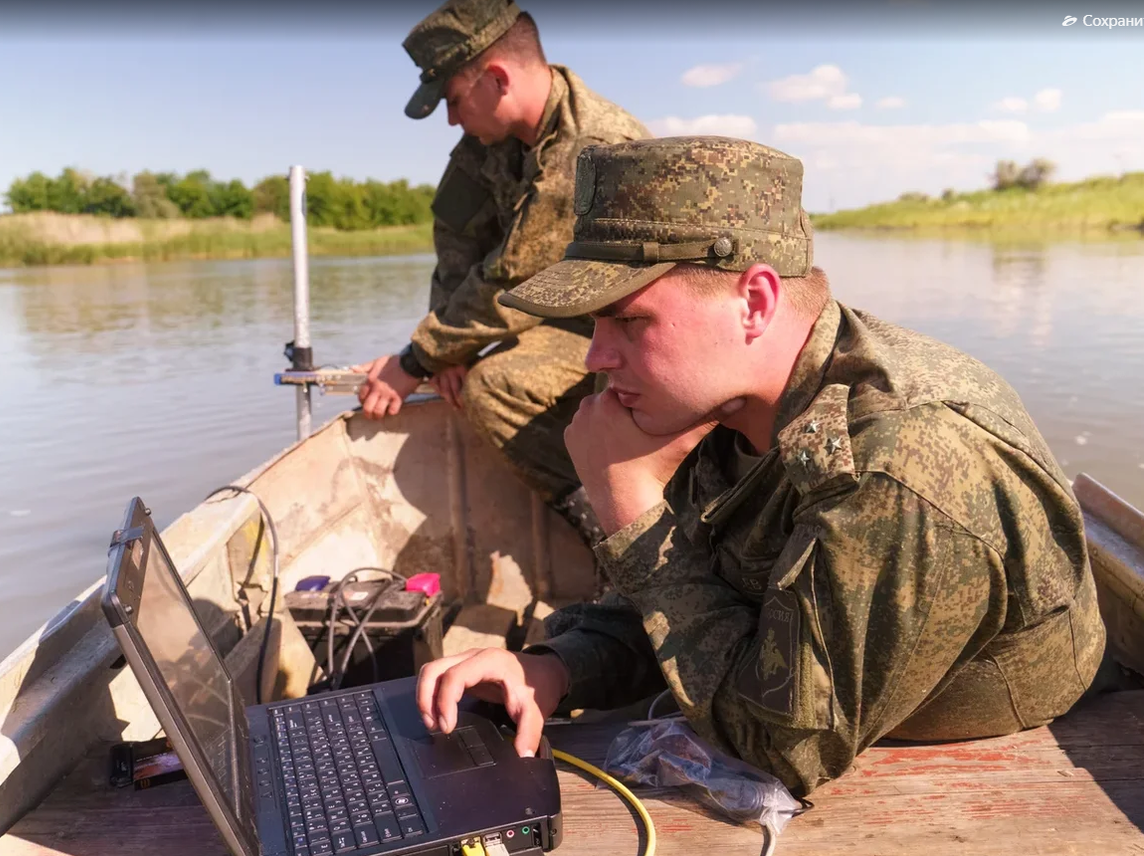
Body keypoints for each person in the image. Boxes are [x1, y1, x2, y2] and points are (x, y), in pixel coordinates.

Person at [414, 135, 1107, 797]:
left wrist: (629, 509)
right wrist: (558, 665)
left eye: (628, 321)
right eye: (595, 324)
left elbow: (782, 746)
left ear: (756, 303)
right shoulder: (725, 397)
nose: (596, 357)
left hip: (980, 761)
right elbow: (703, 590)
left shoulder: (898, 461)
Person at [357, 0, 649, 544]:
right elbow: (457, 241)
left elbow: (516, 280)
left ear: (496, 79)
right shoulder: (485, 144)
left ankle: (624, 539)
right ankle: (612, 536)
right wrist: (450, 348)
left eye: (453, 100)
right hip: (564, 312)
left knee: (493, 389)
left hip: (630, 322)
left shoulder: (588, 146)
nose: (450, 118)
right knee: (478, 375)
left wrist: (416, 360)